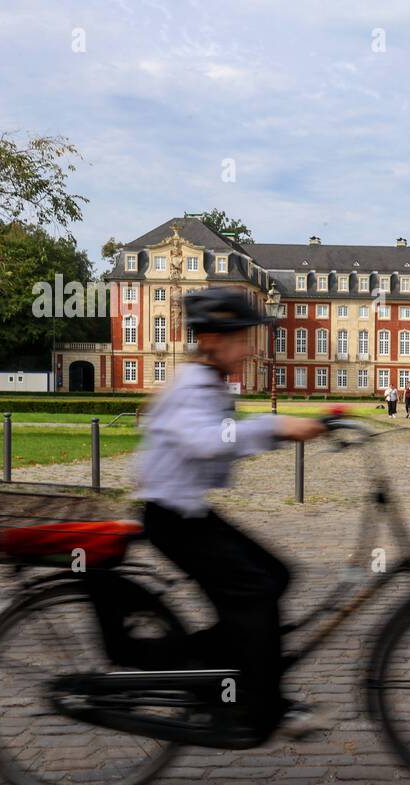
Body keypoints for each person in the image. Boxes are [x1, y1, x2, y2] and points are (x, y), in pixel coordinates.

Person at [134, 287, 329, 743]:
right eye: (242, 340)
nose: (249, 349)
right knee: (256, 591)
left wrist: (300, 428)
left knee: (276, 575)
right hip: (171, 518)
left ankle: (216, 671)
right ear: (213, 341)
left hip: (189, 512)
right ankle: (260, 708)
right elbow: (207, 441)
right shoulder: (191, 385)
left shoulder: (206, 381)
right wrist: (276, 425)